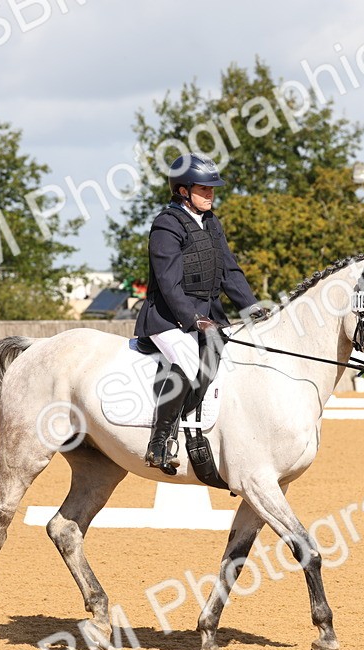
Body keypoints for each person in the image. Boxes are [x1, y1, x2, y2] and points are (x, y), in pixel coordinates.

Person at [134, 152, 266, 474]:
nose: (210, 194)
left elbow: (229, 272)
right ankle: (159, 443)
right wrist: (193, 319)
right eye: (204, 189)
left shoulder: (210, 222)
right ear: (183, 191)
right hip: (166, 318)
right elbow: (168, 283)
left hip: (206, 316)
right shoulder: (166, 225)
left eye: (212, 189)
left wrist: (250, 307)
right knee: (189, 359)